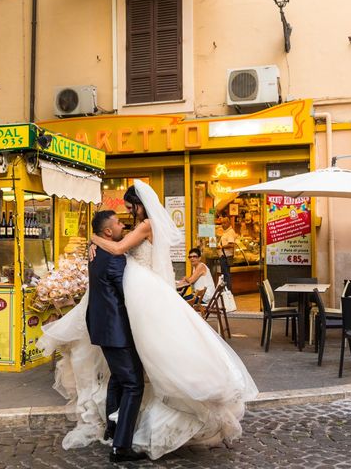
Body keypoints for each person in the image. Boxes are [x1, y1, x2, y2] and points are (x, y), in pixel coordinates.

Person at [37, 180, 258, 461]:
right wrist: (99, 245)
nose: (129, 213)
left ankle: (120, 434)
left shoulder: (147, 225)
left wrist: (94, 239)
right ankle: (119, 431)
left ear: (141, 205)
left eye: (131, 207)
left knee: (140, 366)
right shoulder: (137, 228)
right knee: (134, 367)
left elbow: (118, 250)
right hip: (138, 292)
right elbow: (118, 246)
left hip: (142, 291)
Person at [85, 210, 146, 463]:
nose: (124, 225)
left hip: (102, 327)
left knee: (118, 380)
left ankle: (112, 430)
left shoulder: (95, 251)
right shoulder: (114, 258)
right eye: (119, 223)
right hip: (116, 329)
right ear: (108, 232)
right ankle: (121, 448)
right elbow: (128, 293)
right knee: (134, 384)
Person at [218, 216, 237, 291]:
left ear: (229, 223)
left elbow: (231, 245)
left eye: (225, 223)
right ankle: (226, 291)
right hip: (223, 256)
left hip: (226, 257)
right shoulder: (225, 232)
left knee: (226, 275)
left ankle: (228, 292)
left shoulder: (230, 232)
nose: (223, 224)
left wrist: (221, 247)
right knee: (225, 274)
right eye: (222, 223)